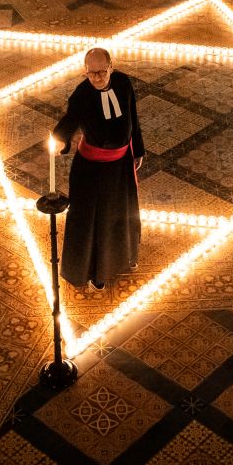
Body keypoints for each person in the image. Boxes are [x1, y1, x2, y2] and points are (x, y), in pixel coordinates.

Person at [52, 47, 145, 291]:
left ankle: (124, 257)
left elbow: (133, 118)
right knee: (96, 222)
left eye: (101, 72)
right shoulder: (81, 95)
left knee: (121, 215)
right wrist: (60, 140)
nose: (97, 78)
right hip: (92, 171)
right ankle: (96, 271)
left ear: (111, 67)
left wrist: (139, 150)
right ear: (85, 72)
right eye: (91, 73)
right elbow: (69, 121)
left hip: (121, 165)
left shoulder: (123, 83)